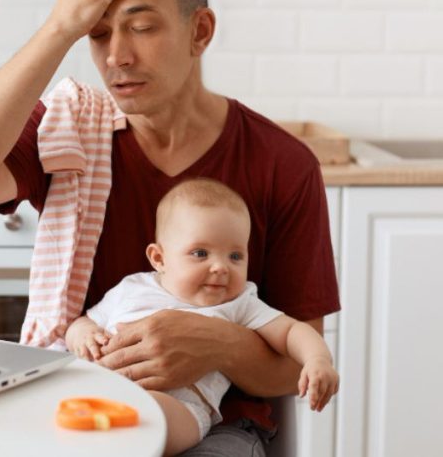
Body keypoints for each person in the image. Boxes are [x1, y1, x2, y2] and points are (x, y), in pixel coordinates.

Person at [0, 0, 340, 454]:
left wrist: (221, 345)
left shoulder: (282, 163)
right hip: (89, 405)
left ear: (200, 32)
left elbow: (293, 367)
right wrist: (58, 28)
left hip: (214, 427)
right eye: (96, 34)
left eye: (141, 27)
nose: (116, 55)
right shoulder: (69, 132)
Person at [65, 178, 339, 456]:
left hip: (181, 410)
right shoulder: (131, 288)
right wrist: (84, 335)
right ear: (159, 258)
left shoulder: (239, 303)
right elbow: (83, 322)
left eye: (235, 256)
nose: (220, 267)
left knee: (147, 415)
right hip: (100, 398)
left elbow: (292, 331)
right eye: (200, 253)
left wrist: (317, 359)